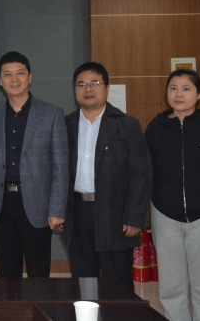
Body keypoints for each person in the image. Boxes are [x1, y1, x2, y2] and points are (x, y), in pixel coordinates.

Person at [145, 69, 200, 321]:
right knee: (171, 286)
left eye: (186, 88)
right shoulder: (156, 128)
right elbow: (148, 169)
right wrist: (160, 196)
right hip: (165, 216)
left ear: (199, 93)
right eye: (173, 88)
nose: (178, 94)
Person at [61, 62, 151, 290]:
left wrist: (135, 217)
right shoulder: (65, 125)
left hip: (115, 214)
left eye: (95, 83)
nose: (88, 89)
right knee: (83, 281)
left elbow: (140, 174)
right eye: (81, 84)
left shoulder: (127, 125)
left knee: (117, 283)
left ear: (107, 88)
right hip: (77, 213)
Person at [0, 51, 68, 278]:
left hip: (38, 205)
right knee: (7, 274)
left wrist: (57, 209)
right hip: (2, 204)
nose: (14, 79)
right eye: (7, 74)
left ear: (29, 77)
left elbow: (61, 166)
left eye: (20, 73)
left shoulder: (51, 114)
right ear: (0, 80)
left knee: (38, 274)